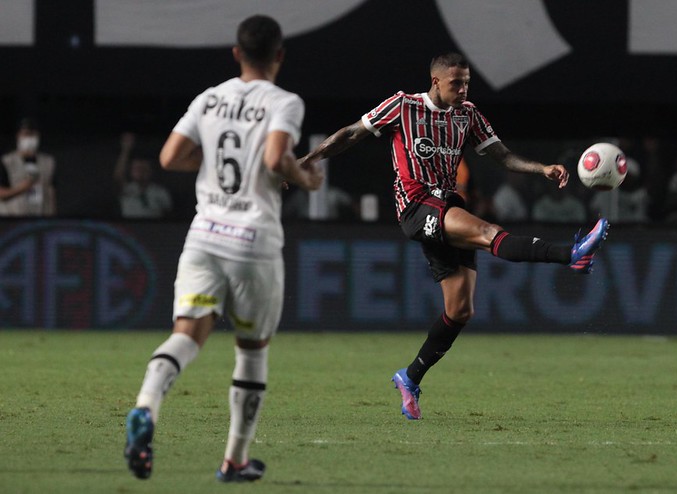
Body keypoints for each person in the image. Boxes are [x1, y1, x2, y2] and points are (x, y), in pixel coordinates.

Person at [298, 53, 608, 420]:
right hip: (415, 206)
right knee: (487, 231)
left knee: (460, 310)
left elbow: (502, 156)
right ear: (435, 82)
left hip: (446, 204)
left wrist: (542, 168)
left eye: (466, 83)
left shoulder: (468, 114)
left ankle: (409, 378)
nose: (462, 90)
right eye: (455, 83)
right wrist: (305, 162)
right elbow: (351, 133)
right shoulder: (403, 106)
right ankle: (570, 254)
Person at [123, 15, 323, 482]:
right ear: (279, 56)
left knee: (186, 334)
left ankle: (146, 408)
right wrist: (305, 177)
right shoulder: (284, 102)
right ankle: (234, 459)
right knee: (251, 349)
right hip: (253, 242)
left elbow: (170, 157)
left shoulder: (208, 98)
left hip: (204, 236)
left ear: (236, 53)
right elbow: (276, 158)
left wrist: (207, 162)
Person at [0, 117, 57, 216]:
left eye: (33, 135)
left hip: (41, 217)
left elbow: (52, 192)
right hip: (12, 219)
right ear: (18, 136)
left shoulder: (48, 162)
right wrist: (22, 188)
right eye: (26, 134)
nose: (30, 138)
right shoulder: (7, 161)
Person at [114, 132, 174, 218]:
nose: (141, 172)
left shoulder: (161, 192)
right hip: (130, 227)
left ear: (150, 171)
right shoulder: (127, 189)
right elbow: (118, 176)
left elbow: (168, 213)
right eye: (137, 169)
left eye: (144, 169)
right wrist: (125, 149)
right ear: (131, 171)